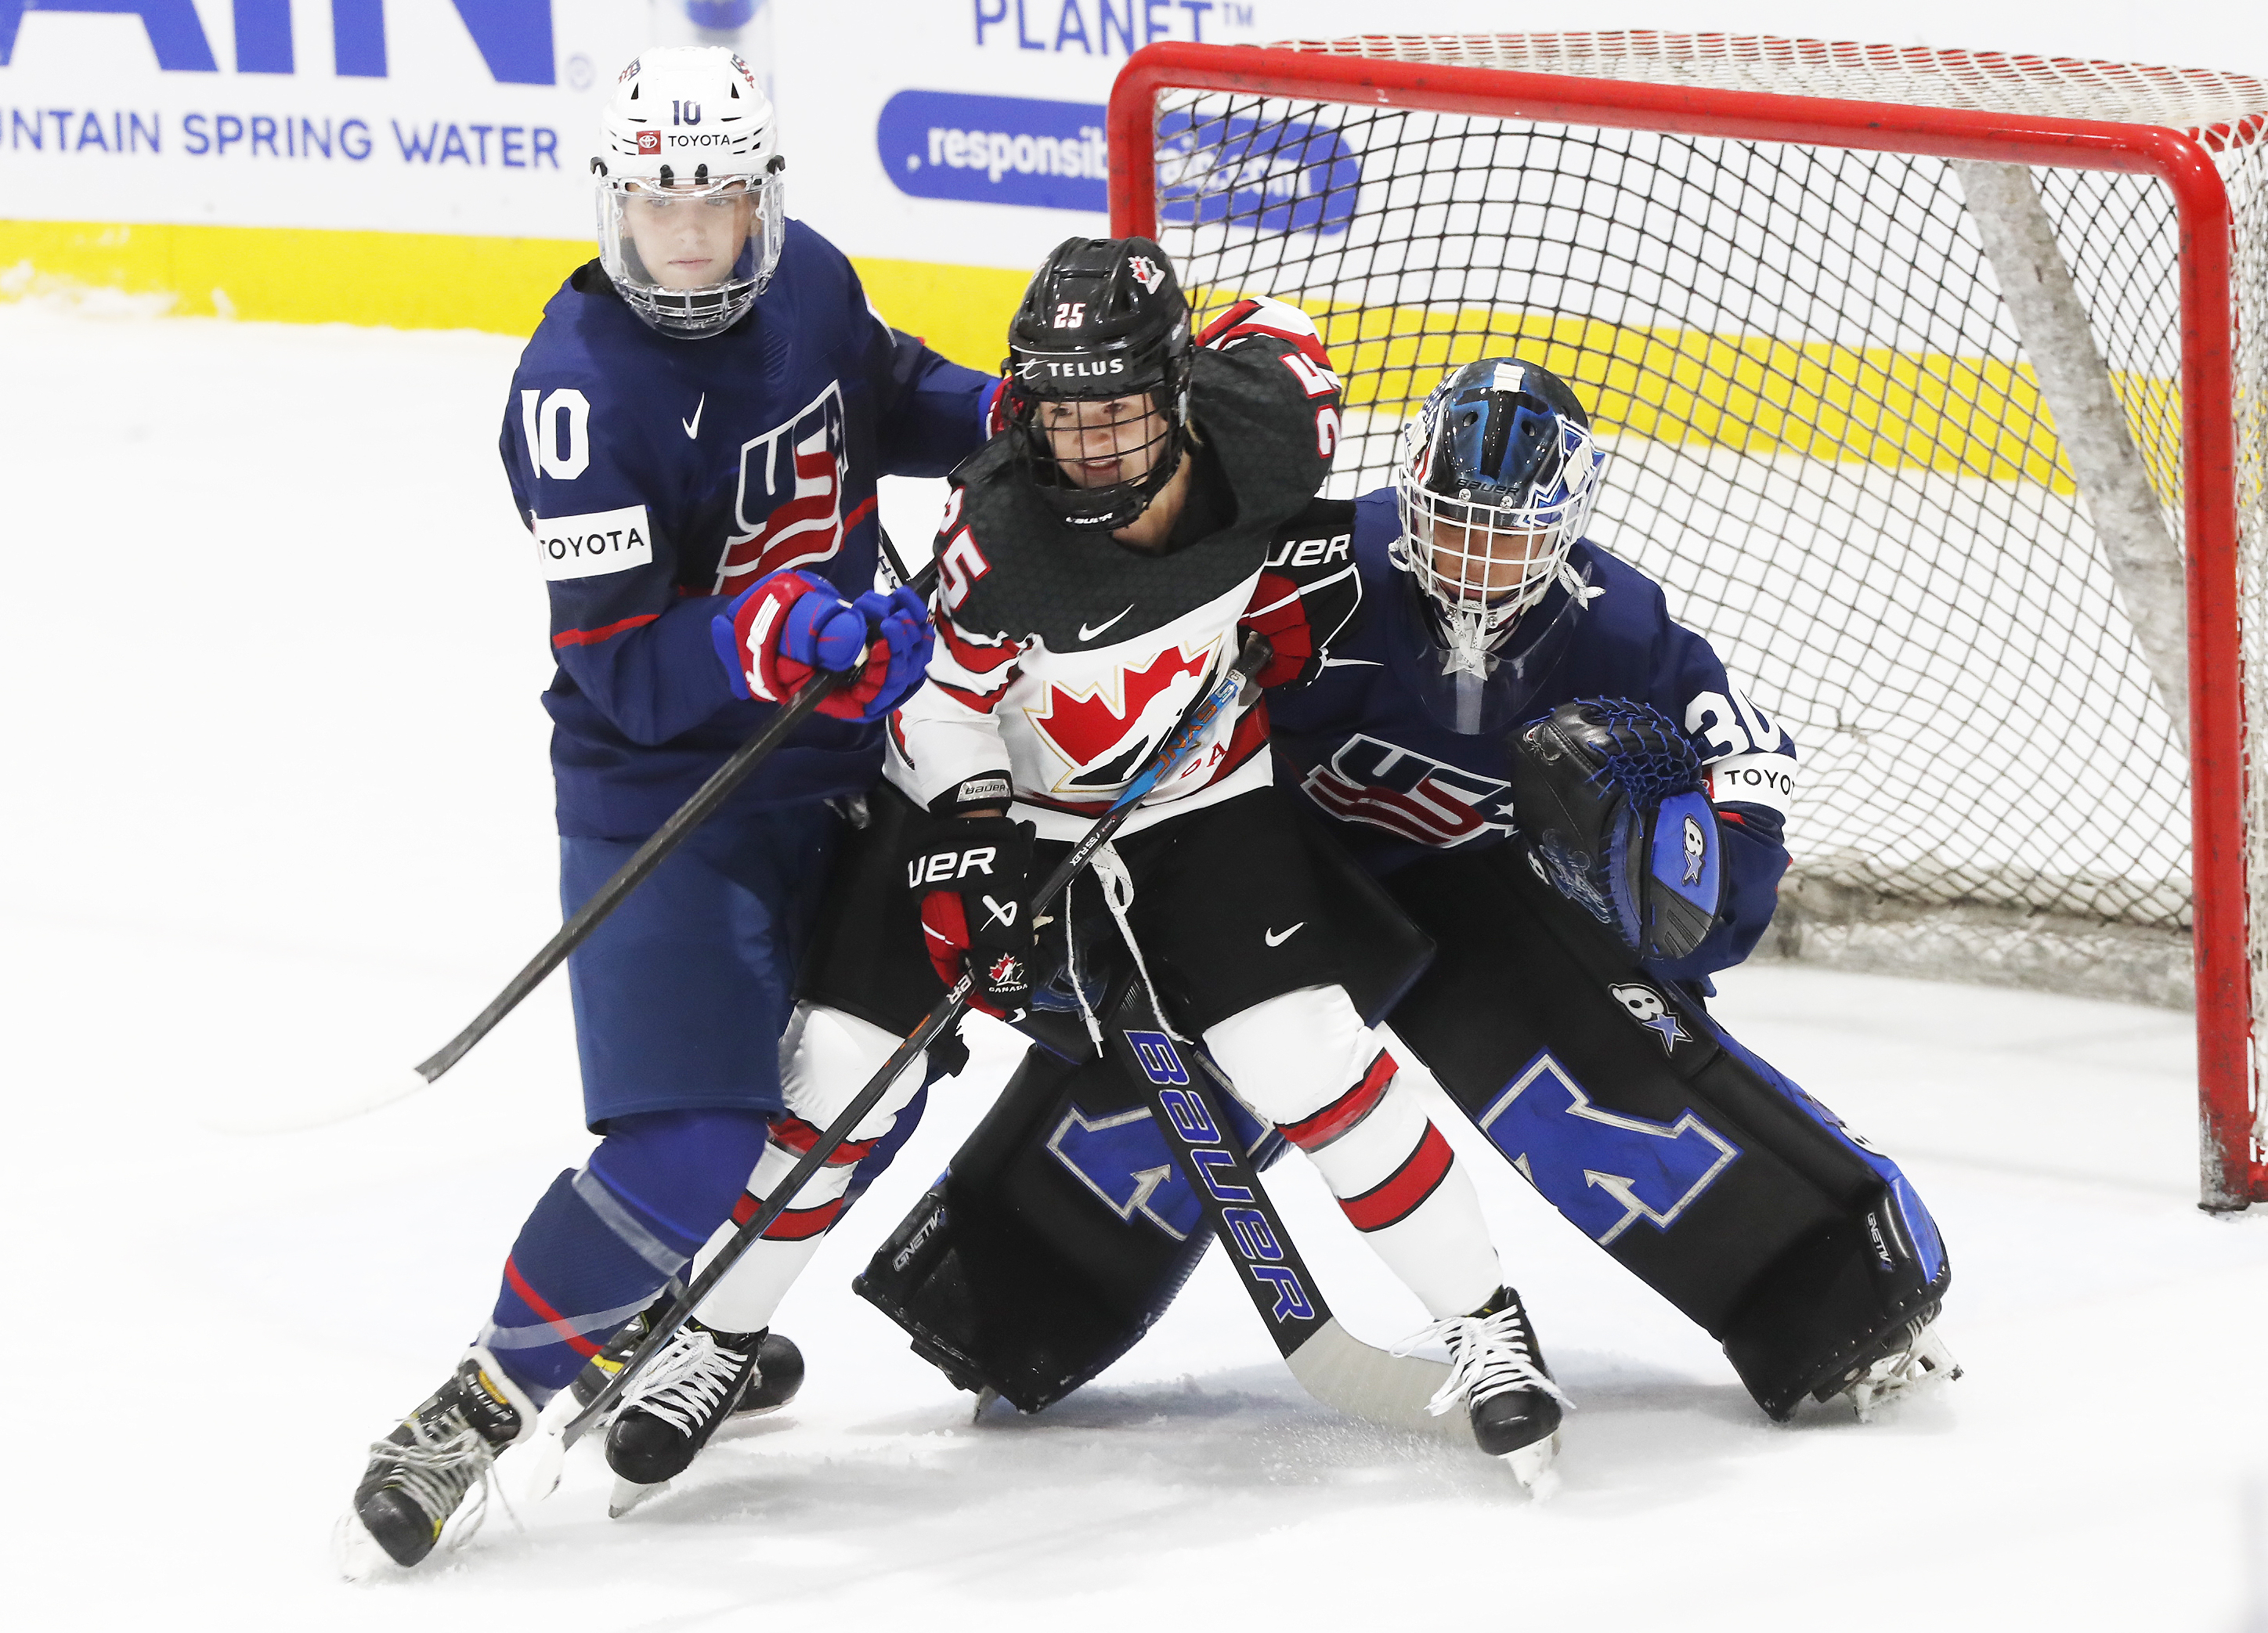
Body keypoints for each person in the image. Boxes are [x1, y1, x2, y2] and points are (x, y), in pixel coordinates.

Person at [862, 358, 1959, 1447]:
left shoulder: (1621, 632)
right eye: (1451, 522)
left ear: (1568, 527)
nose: (1477, 559)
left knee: (1599, 1061)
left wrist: (1697, 902)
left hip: (1481, 894)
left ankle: (1832, 1285)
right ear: (1410, 497)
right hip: (1276, 866)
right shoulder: (1316, 563)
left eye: (1510, 533)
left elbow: (1744, 778)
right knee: (1174, 1064)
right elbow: (1113, 680)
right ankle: (1000, 1300)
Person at [670, 238, 1569, 1494]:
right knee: (836, 1060)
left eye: (1117, 411)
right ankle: (711, 1337)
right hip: (991, 794)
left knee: (1303, 1050)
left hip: (1194, 787)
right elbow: (938, 701)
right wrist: (977, 827)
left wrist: (1293, 578)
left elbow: (1288, 331)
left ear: (1181, 390)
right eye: (1058, 415)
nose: (1085, 447)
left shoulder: (1271, 425)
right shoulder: (1001, 525)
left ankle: (1484, 1321)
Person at [341, 46, 996, 1572]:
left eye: (715, 201)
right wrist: (781, 633)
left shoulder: (816, 284)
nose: (688, 236)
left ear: (760, 198)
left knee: (875, 1067)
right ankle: (479, 1403)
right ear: (616, 201)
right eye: (658, 202)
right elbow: (625, 671)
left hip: (846, 762)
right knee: (691, 1141)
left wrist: (1032, 416)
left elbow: (895, 399)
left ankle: (695, 1326)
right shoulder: (579, 389)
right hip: (671, 796)